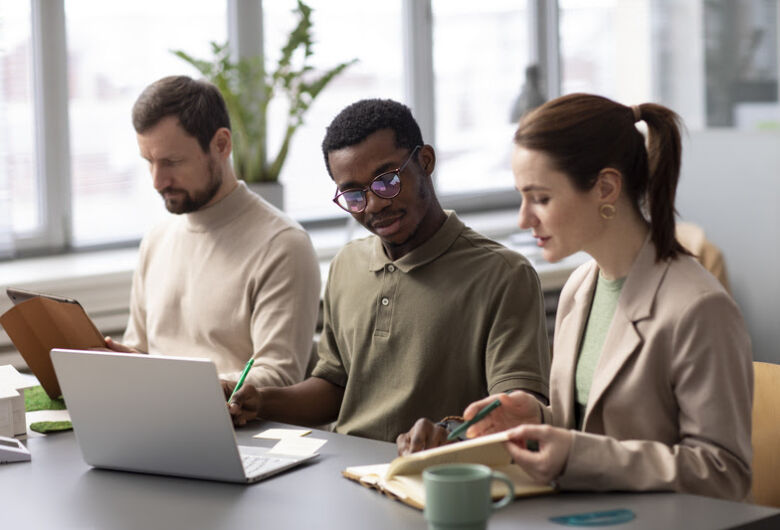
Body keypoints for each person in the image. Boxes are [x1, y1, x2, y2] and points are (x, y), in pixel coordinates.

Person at [428, 93, 753, 501]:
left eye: (541, 198)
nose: (523, 218)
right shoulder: (580, 289)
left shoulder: (700, 308)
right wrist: (539, 419)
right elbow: (595, 429)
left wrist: (575, 454)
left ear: (606, 188)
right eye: (522, 196)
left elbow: (724, 475)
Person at [228, 98, 551, 442]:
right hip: (342, 470)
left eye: (387, 180)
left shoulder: (504, 274)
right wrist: (259, 400)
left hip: (432, 477)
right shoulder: (346, 266)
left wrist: (449, 435)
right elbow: (335, 388)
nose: (376, 204)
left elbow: (515, 412)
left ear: (425, 161)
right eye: (353, 194)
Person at [106, 75, 321, 391]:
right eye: (149, 161)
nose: (157, 180)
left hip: (242, 433)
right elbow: (140, 352)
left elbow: (278, 377)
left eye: (172, 161)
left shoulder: (283, 245)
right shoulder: (156, 240)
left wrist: (176, 387)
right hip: (156, 419)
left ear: (221, 144)